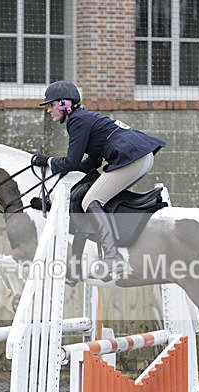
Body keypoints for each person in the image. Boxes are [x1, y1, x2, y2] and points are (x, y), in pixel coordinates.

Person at [32, 80, 166, 279]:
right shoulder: (83, 117)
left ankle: (113, 257)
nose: (49, 110)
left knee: (90, 201)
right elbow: (91, 162)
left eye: (51, 105)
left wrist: (48, 161)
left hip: (133, 158)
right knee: (99, 196)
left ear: (64, 104)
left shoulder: (76, 121)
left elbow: (71, 162)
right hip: (140, 156)